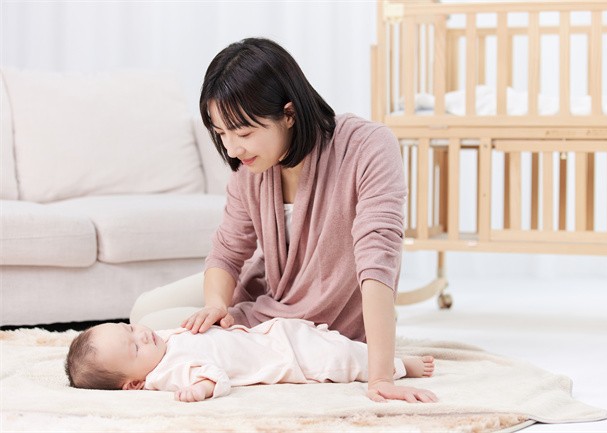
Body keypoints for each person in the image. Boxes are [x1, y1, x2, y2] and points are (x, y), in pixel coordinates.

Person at [130, 37, 436, 403]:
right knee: (143, 310)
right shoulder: (250, 167)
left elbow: (378, 257)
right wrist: (216, 305)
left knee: (152, 329)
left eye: (244, 133)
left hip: (314, 321)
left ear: (289, 114)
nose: (232, 149)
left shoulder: (368, 146)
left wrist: (380, 374)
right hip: (266, 288)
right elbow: (228, 250)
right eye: (222, 134)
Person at [65, 319, 435, 403]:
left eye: (130, 329)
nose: (142, 335)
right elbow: (214, 374)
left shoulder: (160, 342)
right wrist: (201, 389)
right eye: (134, 348)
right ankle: (400, 365)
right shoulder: (165, 372)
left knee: (339, 343)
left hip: (274, 334)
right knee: (343, 360)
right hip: (289, 360)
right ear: (134, 383)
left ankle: (389, 356)